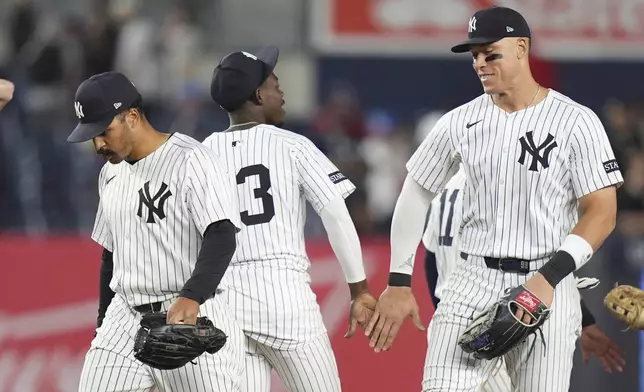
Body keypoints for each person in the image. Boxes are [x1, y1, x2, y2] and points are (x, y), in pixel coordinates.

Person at [365, 6, 624, 391]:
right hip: (470, 279)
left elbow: (602, 211)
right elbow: (416, 192)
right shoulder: (459, 121)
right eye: (474, 56)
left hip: (548, 284)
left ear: (522, 47)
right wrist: (399, 279)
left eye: (491, 53)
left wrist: (548, 278)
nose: (480, 64)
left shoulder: (576, 121)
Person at [203, 45, 377, 392]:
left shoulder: (200, 152)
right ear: (257, 95)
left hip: (221, 299)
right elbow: (336, 216)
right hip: (281, 293)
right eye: (274, 84)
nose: (280, 93)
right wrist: (359, 289)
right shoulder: (292, 145)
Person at [68, 71, 244, 392]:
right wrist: (102, 324)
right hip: (124, 317)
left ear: (132, 117)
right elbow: (110, 256)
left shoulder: (192, 160)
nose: (98, 144)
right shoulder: (110, 174)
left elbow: (221, 234)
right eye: (91, 135)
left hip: (189, 314)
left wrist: (193, 296)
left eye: (104, 131)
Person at [422, 166, 625, 391]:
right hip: (498, 326)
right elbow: (531, 269)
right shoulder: (501, 187)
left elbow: (431, 262)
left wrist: (443, 318)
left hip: (453, 323)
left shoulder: (443, 192)